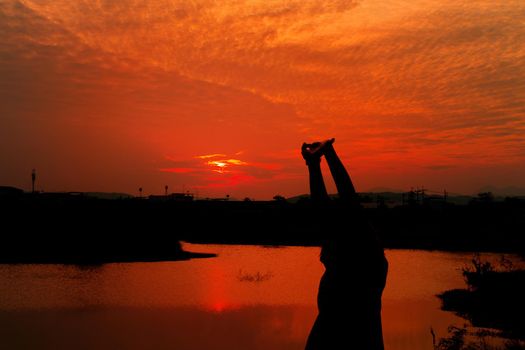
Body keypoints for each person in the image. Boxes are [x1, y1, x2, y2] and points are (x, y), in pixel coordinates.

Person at [302, 138, 388, 350]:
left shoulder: (363, 266)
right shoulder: (357, 261)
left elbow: (348, 198)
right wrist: (314, 164)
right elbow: (324, 207)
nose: (324, 255)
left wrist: (328, 155)